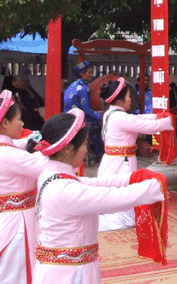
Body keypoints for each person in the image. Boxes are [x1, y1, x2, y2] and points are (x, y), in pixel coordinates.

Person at [31, 108, 165, 284]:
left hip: (68, 269)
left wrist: (133, 178)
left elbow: (93, 183)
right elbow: (112, 198)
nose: (86, 150)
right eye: (84, 145)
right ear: (67, 149)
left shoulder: (52, 174)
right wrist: (154, 187)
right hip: (68, 275)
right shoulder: (63, 189)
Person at [97, 78, 174, 232]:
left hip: (114, 163)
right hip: (120, 166)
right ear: (119, 100)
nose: (131, 99)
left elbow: (138, 119)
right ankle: (91, 223)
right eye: (128, 97)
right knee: (127, 218)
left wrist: (159, 117)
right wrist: (168, 122)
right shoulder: (120, 118)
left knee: (118, 202)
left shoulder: (110, 113)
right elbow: (146, 126)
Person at [0, 90, 48, 284]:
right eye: (19, 120)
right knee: (17, 273)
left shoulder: (7, 149)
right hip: (18, 223)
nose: (22, 124)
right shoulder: (9, 155)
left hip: (11, 218)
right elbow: (45, 166)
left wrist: (30, 143)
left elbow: (18, 144)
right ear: (5, 123)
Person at [63, 61, 104, 162]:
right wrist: (99, 115)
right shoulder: (83, 88)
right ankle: (99, 156)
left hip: (67, 118)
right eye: (89, 73)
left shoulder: (73, 85)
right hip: (78, 119)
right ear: (82, 74)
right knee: (97, 126)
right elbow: (87, 110)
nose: (91, 75)